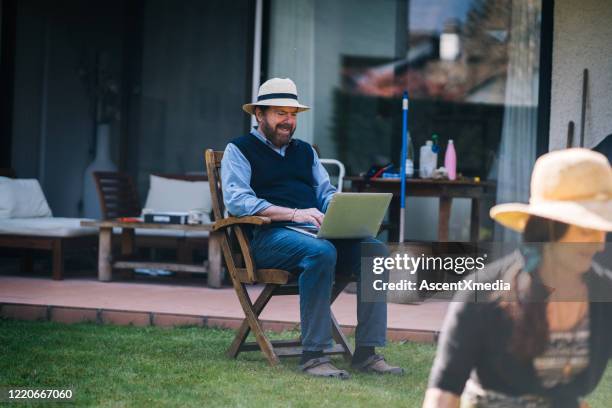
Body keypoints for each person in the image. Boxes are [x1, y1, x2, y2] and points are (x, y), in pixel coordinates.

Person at [221, 77, 403, 379]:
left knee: (375, 250)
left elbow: (325, 193)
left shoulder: (305, 152)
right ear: (259, 114)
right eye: (280, 113)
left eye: (292, 115)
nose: (288, 121)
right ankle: (314, 355)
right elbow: (238, 201)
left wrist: (342, 209)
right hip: (269, 238)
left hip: (314, 234)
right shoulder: (239, 149)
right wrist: (293, 214)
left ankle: (367, 353)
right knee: (321, 252)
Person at [423, 148, 612, 407]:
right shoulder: (484, 291)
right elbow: (444, 392)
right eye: (585, 230)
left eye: (601, 230)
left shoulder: (603, 293)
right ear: (549, 226)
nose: (599, 245)